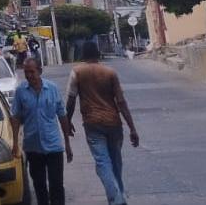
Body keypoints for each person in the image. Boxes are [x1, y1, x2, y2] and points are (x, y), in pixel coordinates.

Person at [65, 41, 139, 205]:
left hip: (93, 124)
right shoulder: (110, 72)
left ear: (83, 55)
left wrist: (68, 122)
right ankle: (118, 198)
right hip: (114, 123)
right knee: (116, 163)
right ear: (98, 54)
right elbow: (121, 102)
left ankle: (117, 199)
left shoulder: (77, 72)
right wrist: (132, 128)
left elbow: (70, 100)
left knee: (102, 163)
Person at [9, 56, 72, 205]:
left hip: (54, 146)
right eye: (26, 72)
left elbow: (62, 115)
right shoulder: (20, 92)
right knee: (39, 186)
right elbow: (16, 117)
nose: (29, 75)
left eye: (32, 71)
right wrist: (15, 144)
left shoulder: (52, 89)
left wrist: (67, 144)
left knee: (56, 185)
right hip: (33, 147)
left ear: (40, 71)